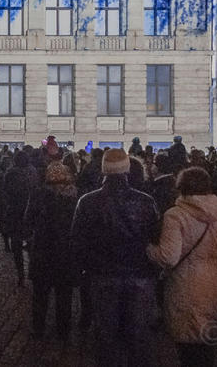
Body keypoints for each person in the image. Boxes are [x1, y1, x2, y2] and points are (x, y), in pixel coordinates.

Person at [71, 148, 159, 366]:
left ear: (104, 170)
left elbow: (77, 241)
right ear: (128, 169)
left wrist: (85, 270)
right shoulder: (146, 201)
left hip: (103, 275)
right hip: (139, 274)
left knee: (106, 336)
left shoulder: (87, 201)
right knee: (138, 336)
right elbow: (156, 236)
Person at [147, 167, 217, 367]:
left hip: (185, 284)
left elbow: (169, 257)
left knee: (188, 345)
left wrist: (150, 250)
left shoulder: (175, 215)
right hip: (216, 282)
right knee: (209, 340)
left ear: (181, 188)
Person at [24, 162, 78, 340]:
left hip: (42, 250)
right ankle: (63, 330)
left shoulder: (38, 194)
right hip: (66, 251)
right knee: (64, 295)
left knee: (40, 294)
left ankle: (38, 328)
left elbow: (28, 219)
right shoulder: (74, 196)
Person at [1, 152, 38, 286]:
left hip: (15, 212)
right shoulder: (32, 171)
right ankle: (33, 271)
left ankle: (21, 274)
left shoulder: (10, 173)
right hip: (30, 211)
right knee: (32, 243)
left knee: (16, 245)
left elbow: (5, 192)